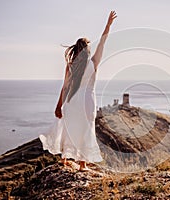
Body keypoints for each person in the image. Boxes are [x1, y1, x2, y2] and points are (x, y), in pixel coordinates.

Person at [39, 11, 117, 171]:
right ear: (87, 49)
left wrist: (58, 105)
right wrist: (108, 26)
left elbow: (65, 87)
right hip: (87, 101)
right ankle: (83, 164)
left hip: (71, 101)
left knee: (69, 128)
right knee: (86, 130)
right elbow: (103, 42)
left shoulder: (71, 65)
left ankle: (65, 159)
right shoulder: (94, 62)